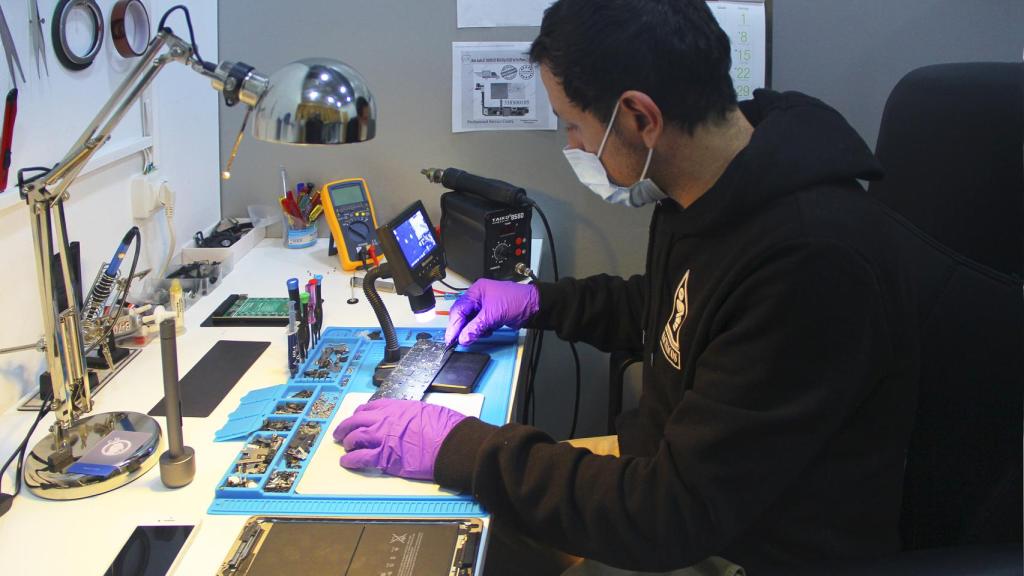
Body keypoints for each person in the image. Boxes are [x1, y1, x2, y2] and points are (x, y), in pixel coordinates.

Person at [333, 0, 935, 573]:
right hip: (677, 483)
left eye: (573, 123)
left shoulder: (809, 261)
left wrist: (458, 445)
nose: (571, 143)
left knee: (446, 533)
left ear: (640, 118)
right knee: (453, 517)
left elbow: (667, 517)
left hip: (754, 549)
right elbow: (674, 312)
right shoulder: (713, 187)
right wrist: (541, 301)